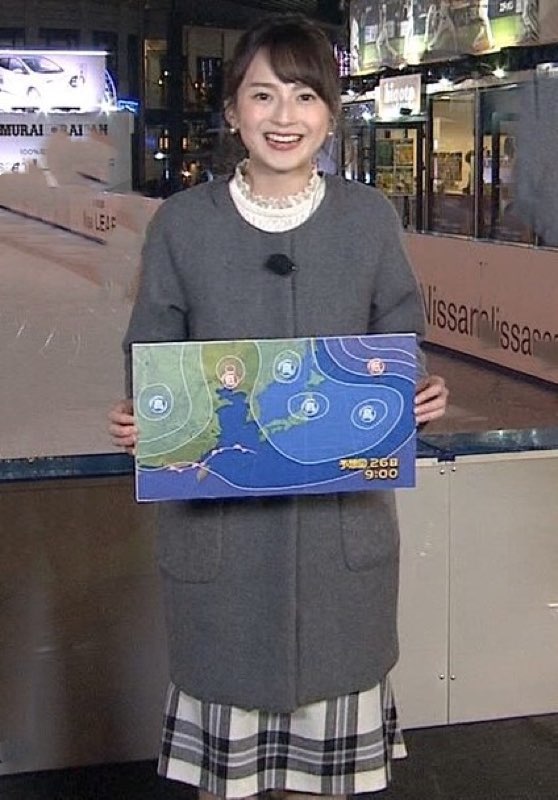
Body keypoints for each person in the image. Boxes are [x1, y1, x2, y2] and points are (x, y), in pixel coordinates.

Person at [108, 14, 448, 800]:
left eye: (304, 95)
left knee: (326, 778)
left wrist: (417, 388)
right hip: (221, 550)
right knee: (226, 778)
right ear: (232, 110)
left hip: (340, 546)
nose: (284, 115)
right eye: (263, 95)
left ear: (330, 113)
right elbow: (151, 351)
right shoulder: (182, 225)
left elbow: (400, 336)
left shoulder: (368, 219)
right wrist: (145, 416)